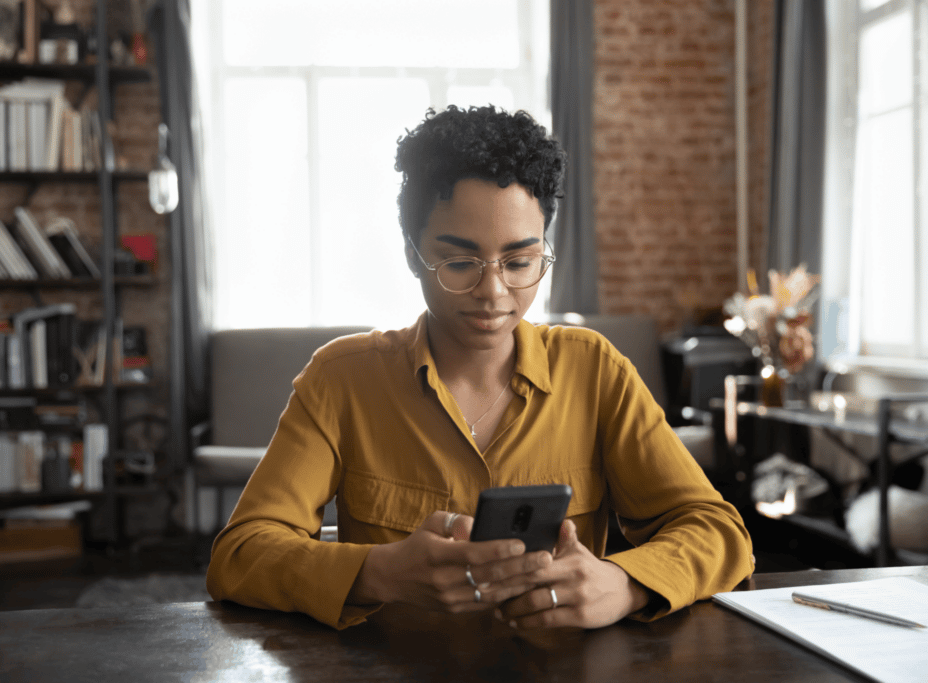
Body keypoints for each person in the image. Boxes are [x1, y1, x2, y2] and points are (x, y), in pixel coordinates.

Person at [206, 105, 754, 630]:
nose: (493, 292)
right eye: (460, 262)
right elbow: (241, 553)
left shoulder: (594, 371)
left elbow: (719, 533)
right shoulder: (343, 380)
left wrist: (623, 583)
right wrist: (379, 573)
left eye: (519, 262)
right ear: (410, 253)